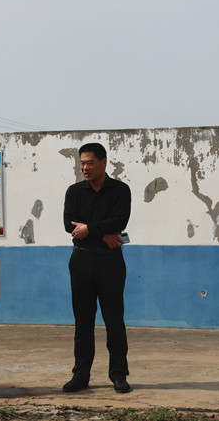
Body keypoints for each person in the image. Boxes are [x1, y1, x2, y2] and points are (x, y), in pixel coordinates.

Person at [62, 143, 132, 393]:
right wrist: (102, 233)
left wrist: (89, 228)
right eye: (82, 163)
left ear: (103, 162)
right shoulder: (74, 191)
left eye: (89, 162)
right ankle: (80, 375)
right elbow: (69, 225)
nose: (85, 168)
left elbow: (120, 220)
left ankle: (118, 374)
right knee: (83, 320)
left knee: (114, 319)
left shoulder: (120, 190)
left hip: (110, 261)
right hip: (81, 261)